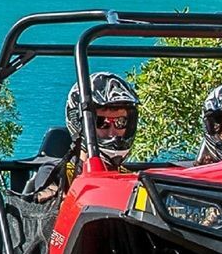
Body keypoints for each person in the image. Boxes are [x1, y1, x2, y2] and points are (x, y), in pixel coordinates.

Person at [29, 72, 140, 200]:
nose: (112, 132)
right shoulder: (56, 174)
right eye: (102, 123)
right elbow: (48, 204)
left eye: (121, 122)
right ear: (79, 123)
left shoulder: (131, 179)